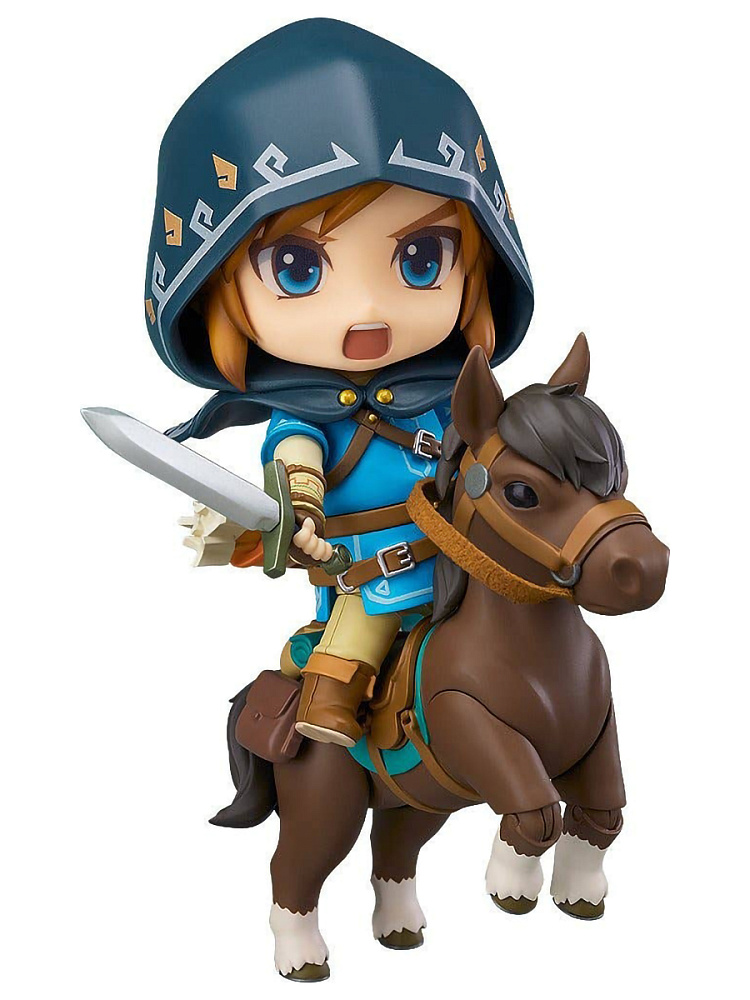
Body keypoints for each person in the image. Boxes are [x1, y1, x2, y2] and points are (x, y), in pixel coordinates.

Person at [144, 18, 534, 747]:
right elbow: (298, 463)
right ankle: (329, 703)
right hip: (377, 572)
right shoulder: (305, 414)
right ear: (214, 288)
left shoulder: (454, 395)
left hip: (472, 560)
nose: (367, 311)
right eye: (297, 269)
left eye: (422, 258)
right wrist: (302, 515)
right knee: (361, 632)